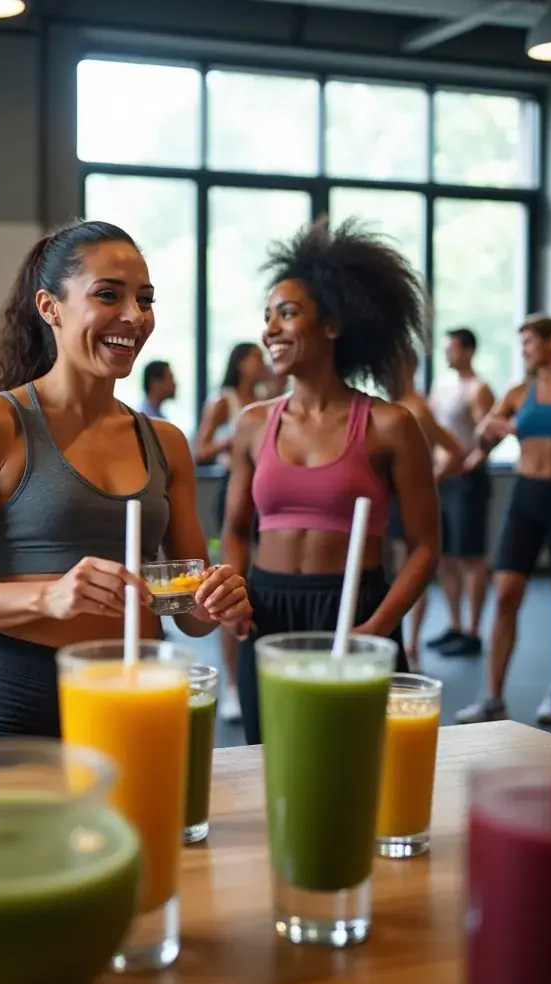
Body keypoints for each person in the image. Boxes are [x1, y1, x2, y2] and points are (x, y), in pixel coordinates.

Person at [0, 220, 252, 738]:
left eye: (146, 299)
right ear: (50, 307)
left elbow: (189, 614)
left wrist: (215, 597)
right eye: (108, 295)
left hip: (141, 688)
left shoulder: (165, 440)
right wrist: (48, 596)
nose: (134, 316)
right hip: (28, 696)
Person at [223, 219, 440, 746]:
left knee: (359, 771)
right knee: (270, 765)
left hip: (355, 608)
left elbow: (425, 547)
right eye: (267, 316)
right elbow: (234, 529)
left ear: (332, 326)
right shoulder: (253, 423)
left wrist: (376, 628)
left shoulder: (389, 425)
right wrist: (235, 594)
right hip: (268, 611)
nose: (270, 329)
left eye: (288, 313)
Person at [456, 315, 551, 727]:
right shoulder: (519, 393)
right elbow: (485, 438)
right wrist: (490, 428)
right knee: (505, 594)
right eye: (520, 344)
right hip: (525, 497)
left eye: (529, 342)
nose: (523, 350)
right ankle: (493, 698)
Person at [194, 341, 270, 722]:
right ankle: (232, 685)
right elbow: (201, 448)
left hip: (265, 493)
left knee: (257, 584)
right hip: (231, 490)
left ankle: (258, 674)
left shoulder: (267, 401)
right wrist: (234, 439)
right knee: (230, 581)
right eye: (256, 357)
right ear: (240, 362)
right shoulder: (223, 401)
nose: (263, 363)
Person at [386, 345, 466, 666]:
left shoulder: (416, 409)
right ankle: (405, 642)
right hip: (390, 504)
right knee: (395, 571)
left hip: (412, 504)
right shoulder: (388, 407)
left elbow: (456, 451)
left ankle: (412, 644)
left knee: (413, 571)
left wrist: (430, 481)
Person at [425, 328, 496, 657]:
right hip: (441, 479)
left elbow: (489, 433)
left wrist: (470, 463)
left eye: (452, 348)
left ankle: (473, 630)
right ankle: (454, 625)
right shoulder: (441, 385)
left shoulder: (479, 389)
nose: (447, 354)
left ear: (468, 351)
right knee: (446, 557)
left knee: (470, 557)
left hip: (467, 482)